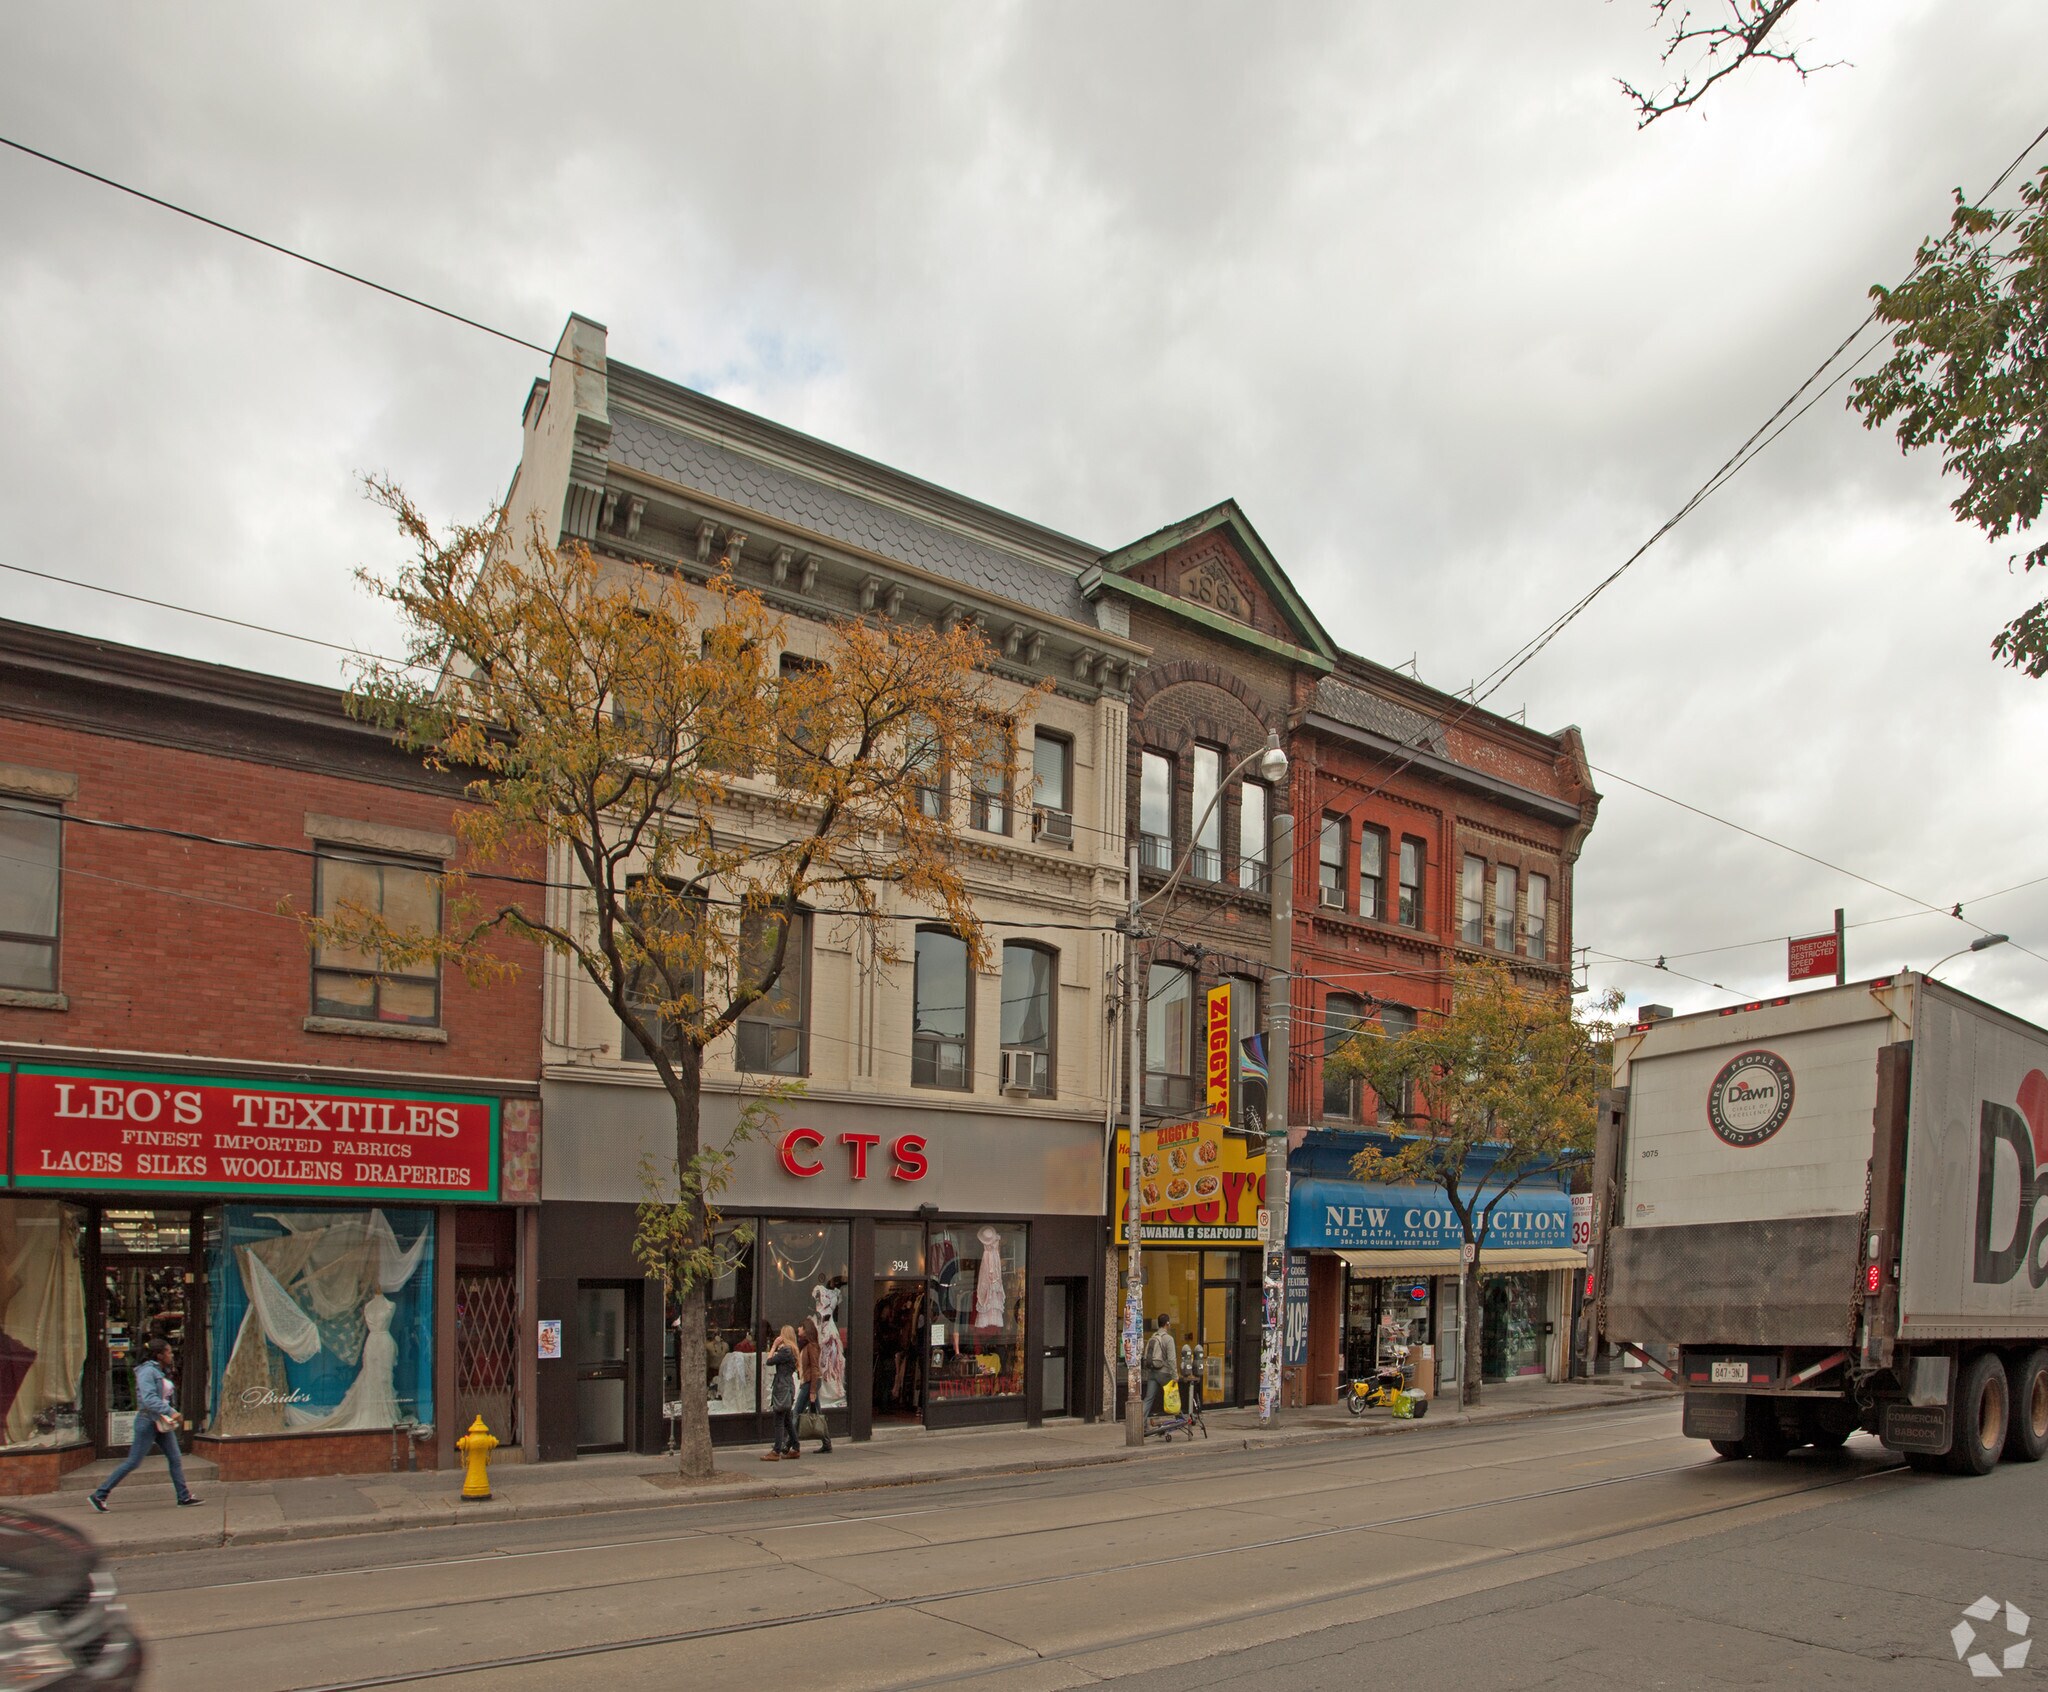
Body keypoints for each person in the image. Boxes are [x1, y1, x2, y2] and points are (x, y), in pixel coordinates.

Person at [91, 1338, 199, 1510]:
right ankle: (100, 1494)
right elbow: (149, 1399)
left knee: (175, 1458)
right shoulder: (147, 1371)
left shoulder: (158, 1370)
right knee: (133, 1461)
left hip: (160, 1421)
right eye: (169, 1352)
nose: (171, 1355)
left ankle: (184, 1496)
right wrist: (171, 1412)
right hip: (148, 1420)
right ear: (159, 1355)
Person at [762, 1324, 799, 1461]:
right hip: (787, 1385)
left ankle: (776, 1451)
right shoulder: (792, 1350)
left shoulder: (786, 1351)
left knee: (779, 1420)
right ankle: (795, 1447)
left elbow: (769, 1361)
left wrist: (773, 1346)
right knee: (787, 1420)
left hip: (782, 1387)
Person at [795, 1318, 832, 1455]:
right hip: (808, 1382)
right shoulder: (804, 1346)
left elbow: (815, 1368)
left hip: (811, 1383)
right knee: (818, 1413)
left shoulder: (811, 1346)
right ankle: (827, 1443)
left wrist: (812, 1391)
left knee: (796, 1412)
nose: (798, 1329)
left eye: (801, 1327)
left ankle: (787, 1442)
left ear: (806, 1330)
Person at [1142, 1314, 1176, 1420]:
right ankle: (1180, 1419)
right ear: (1167, 1324)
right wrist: (1175, 1375)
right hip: (1164, 1373)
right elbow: (1171, 1359)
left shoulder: (1153, 1337)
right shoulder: (1168, 1339)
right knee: (1173, 1396)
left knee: (1148, 1399)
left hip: (1152, 1372)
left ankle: (1139, 1423)